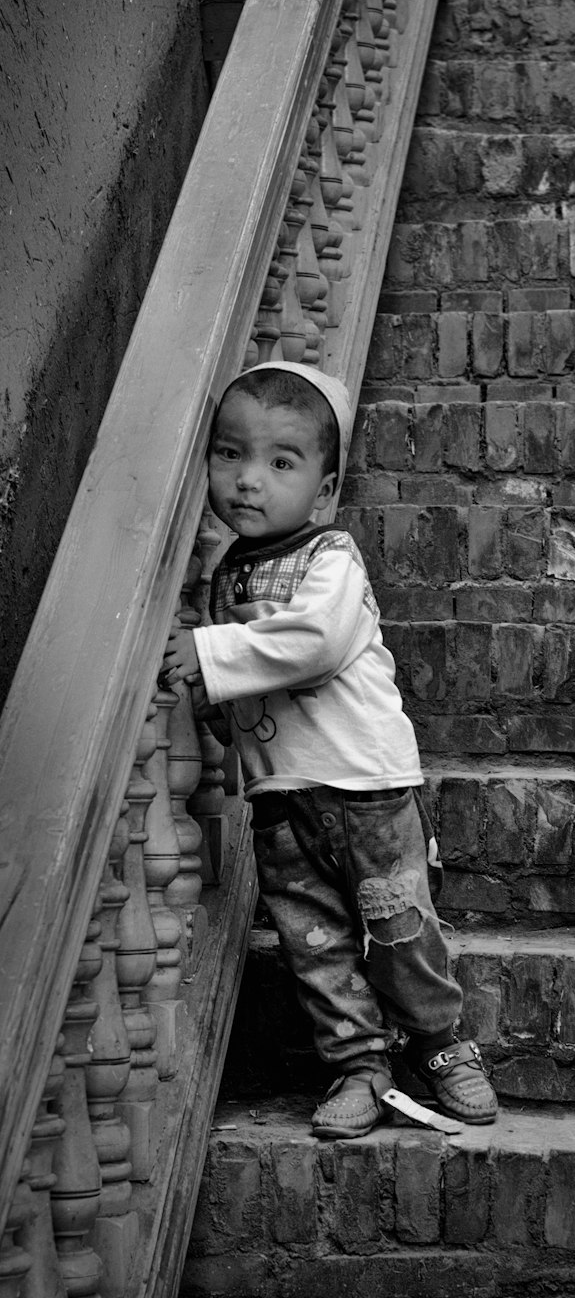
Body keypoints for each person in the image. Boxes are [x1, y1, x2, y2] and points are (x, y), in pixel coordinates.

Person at [162, 360, 498, 1139]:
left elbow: (311, 644)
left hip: (367, 787)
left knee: (399, 925)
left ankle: (443, 1045)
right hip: (284, 798)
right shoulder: (223, 578)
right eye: (229, 454)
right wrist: (217, 710)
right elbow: (235, 696)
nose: (248, 480)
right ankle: (359, 1065)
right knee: (315, 944)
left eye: (280, 462)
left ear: (322, 490)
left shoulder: (331, 560)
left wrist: (208, 654)